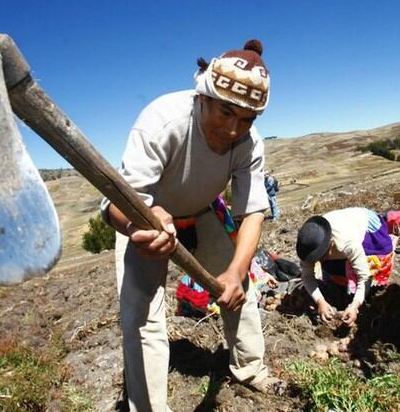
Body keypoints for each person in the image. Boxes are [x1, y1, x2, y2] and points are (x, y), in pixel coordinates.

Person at [101, 39, 284, 412]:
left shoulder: (249, 143)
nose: (234, 129)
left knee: (238, 290)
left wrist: (235, 270)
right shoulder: (162, 121)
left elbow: (252, 211)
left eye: (247, 119)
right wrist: (139, 227)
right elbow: (114, 204)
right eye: (225, 112)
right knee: (142, 317)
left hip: (202, 213)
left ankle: (251, 370)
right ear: (204, 95)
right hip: (147, 217)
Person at [296, 207, 396, 325]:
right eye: (316, 258)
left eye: (322, 256)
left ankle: (367, 293)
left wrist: (355, 306)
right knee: (334, 271)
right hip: (341, 228)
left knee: (372, 265)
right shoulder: (308, 245)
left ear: (331, 244)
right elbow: (307, 276)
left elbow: (364, 277)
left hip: (365, 226)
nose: (319, 260)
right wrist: (320, 301)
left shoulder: (348, 243)